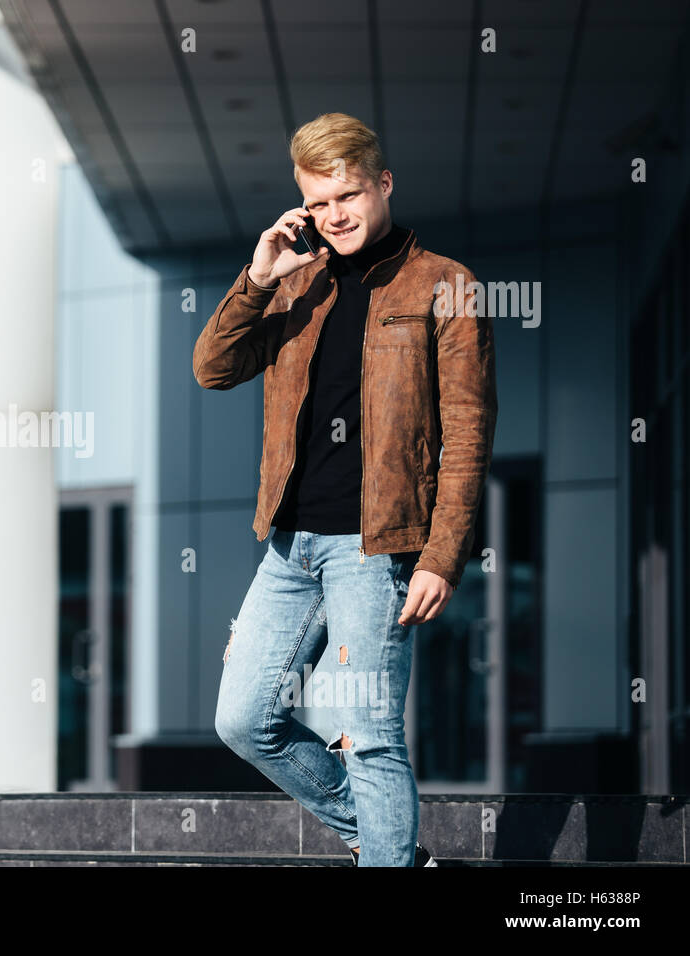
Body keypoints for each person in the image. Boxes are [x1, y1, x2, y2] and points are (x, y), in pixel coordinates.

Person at [194, 112, 497, 866]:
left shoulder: (446, 285)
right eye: (320, 203)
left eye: (349, 196)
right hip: (290, 546)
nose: (336, 215)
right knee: (244, 720)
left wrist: (441, 556)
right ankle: (391, 848)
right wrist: (259, 276)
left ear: (384, 183)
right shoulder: (298, 283)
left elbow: (466, 432)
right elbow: (212, 368)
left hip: (378, 548)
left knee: (367, 732)